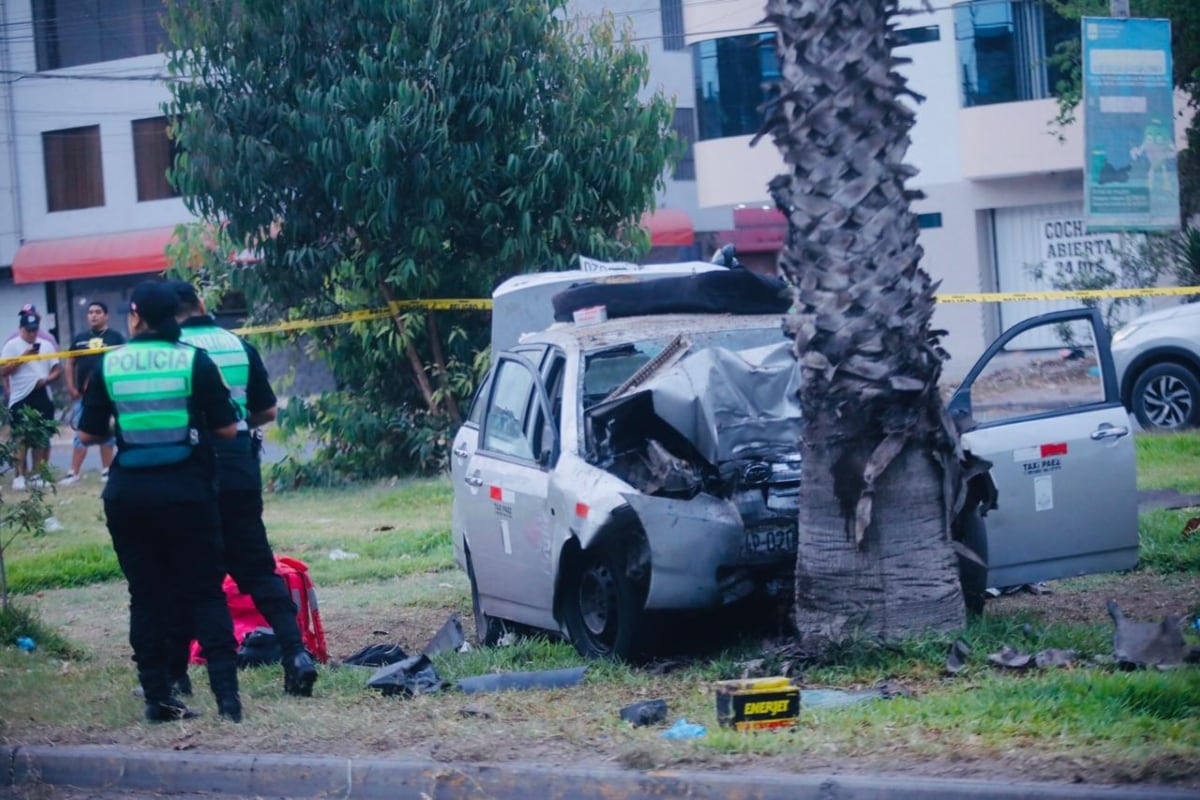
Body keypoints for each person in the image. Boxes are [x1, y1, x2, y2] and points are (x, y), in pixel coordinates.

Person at [77, 280, 244, 723]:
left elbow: (88, 434)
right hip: (189, 491)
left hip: (130, 495)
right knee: (206, 591)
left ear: (135, 316)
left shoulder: (111, 364)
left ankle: (158, 697)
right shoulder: (195, 361)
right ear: (175, 315)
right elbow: (228, 430)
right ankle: (228, 699)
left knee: (146, 595)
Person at [165, 280, 318, 698]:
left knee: (191, 574)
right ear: (200, 304)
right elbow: (266, 409)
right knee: (257, 568)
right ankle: (296, 653)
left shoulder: (170, 352)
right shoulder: (236, 345)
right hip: (239, 468)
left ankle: (178, 674)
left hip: (191, 472)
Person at [62, 301, 125, 485]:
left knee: (107, 432)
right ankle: (73, 472)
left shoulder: (116, 338)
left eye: (98, 312)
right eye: (90, 312)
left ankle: (107, 470)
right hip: (84, 395)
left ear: (106, 315)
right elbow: (70, 363)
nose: (93, 315)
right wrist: (71, 387)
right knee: (81, 434)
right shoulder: (80, 338)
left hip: (110, 395)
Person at [1, 310, 62, 491]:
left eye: (34, 330)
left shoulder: (46, 345)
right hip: (20, 396)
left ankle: (37, 473)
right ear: (21, 329)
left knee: (40, 437)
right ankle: (19, 475)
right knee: (21, 437)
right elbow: (3, 371)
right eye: (28, 330)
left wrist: (48, 379)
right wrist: (22, 358)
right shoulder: (12, 345)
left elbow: (57, 368)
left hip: (41, 392)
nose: (32, 333)